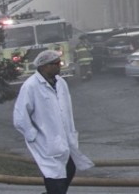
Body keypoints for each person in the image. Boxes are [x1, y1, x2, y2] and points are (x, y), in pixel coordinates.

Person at [12, 49, 95, 194]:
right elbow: (20, 118)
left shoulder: (61, 83)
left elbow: (66, 111)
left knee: (70, 168)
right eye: (55, 63)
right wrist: (34, 136)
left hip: (64, 138)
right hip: (45, 142)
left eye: (59, 62)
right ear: (44, 66)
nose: (59, 65)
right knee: (53, 176)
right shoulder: (31, 86)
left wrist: (70, 131)